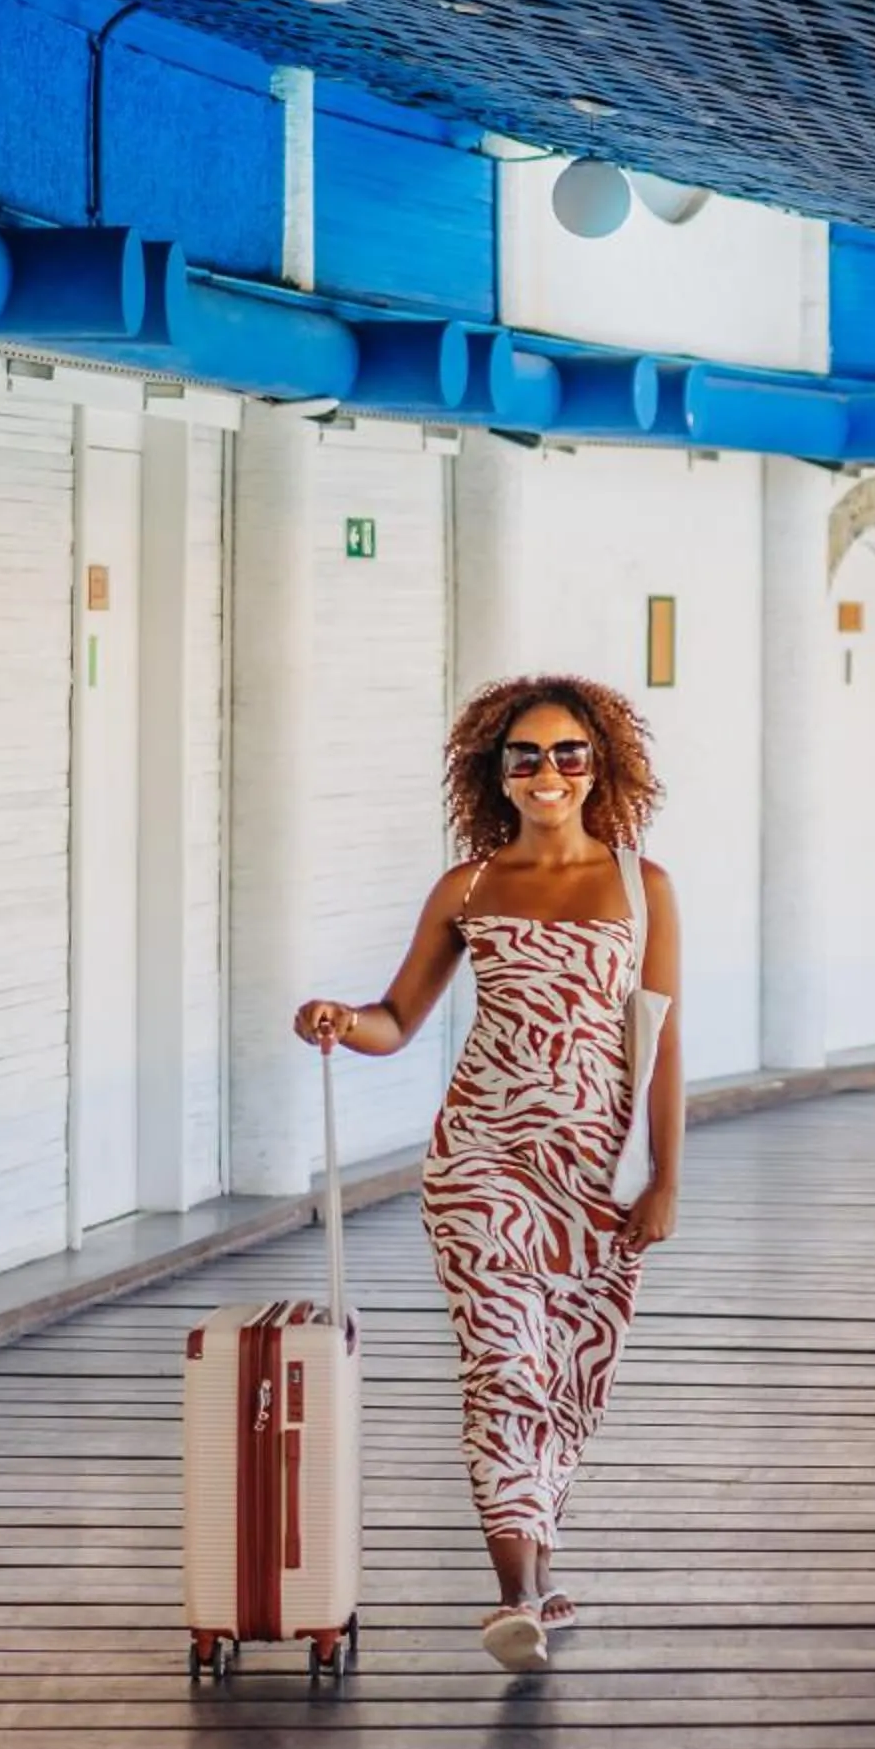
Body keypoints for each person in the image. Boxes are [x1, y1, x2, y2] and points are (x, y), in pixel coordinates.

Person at [294, 677, 682, 1673]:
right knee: (503, 1369)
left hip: (597, 1176)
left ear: (599, 769)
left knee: (568, 1379)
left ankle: (541, 1577)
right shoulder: (467, 889)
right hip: (482, 1167)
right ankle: (513, 1594)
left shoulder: (645, 887)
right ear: (495, 772)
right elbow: (396, 1019)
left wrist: (665, 1178)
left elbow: (663, 1045)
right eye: (526, 755)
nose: (547, 772)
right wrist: (342, 1019)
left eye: (568, 754)